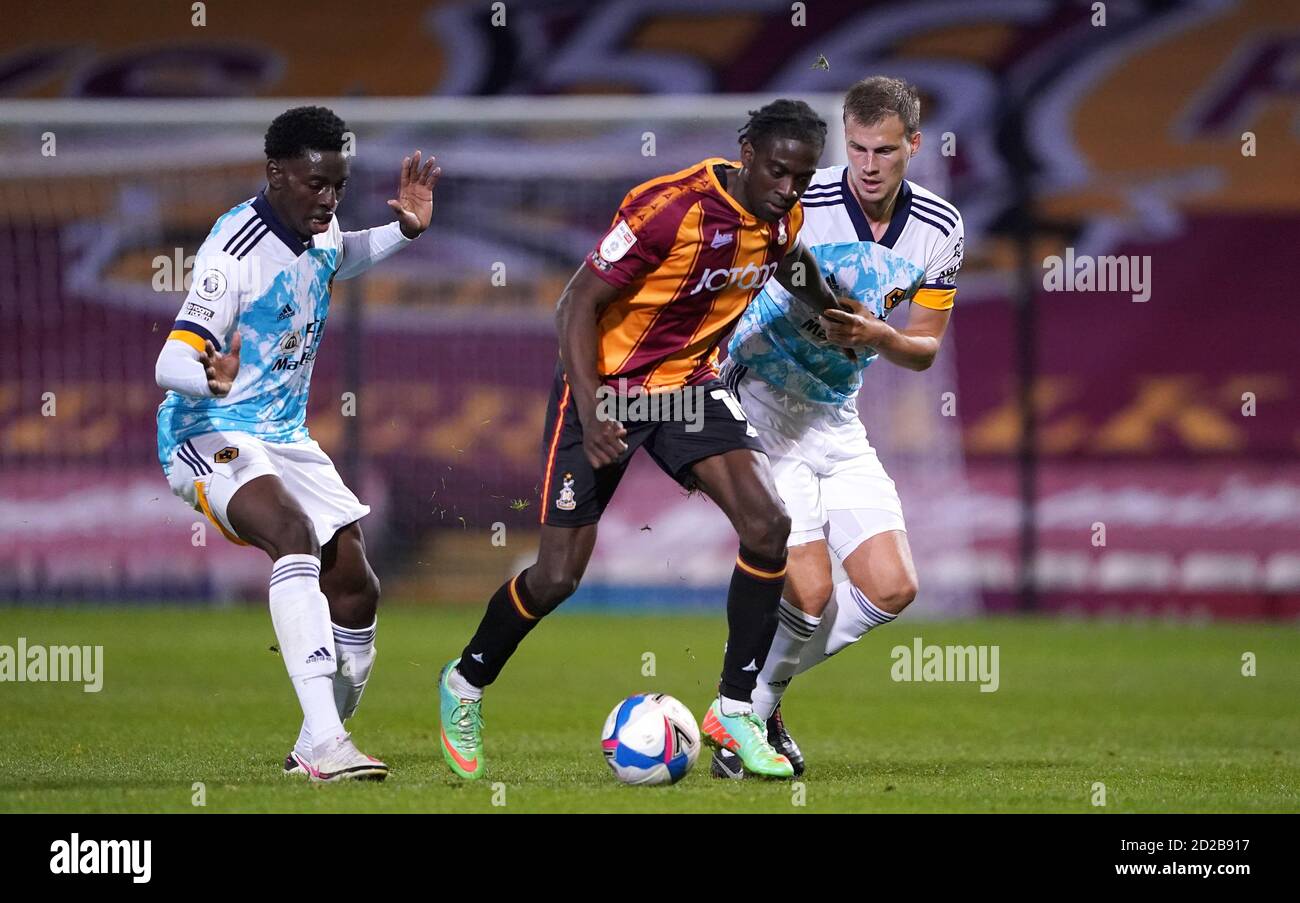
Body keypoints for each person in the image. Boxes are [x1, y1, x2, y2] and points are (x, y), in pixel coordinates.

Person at [437, 100, 853, 781]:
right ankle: (465, 680)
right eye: (778, 172)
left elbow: (792, 262)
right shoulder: (668, 208)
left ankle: (734, 708)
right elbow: (575, 303)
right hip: (603, 387)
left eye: (802, 178)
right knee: (558, 575)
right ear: (746, 151)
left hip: (687, 386)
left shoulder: (784, 217)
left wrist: (839, 311)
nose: (788, 189)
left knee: (768, 523)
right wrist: (597, 406)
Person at [154, 106, 439, 782]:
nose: (329, 199)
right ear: (276, 173)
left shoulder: (321, 224)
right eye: (316, 184)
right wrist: (211, 378)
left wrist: (403, 231)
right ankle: (328, 744)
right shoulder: (234, 251)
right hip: (208, 430)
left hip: (285, 436)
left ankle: (318, 737)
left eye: (338, 185)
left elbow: (340, 257)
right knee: (291, 532)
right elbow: (169, 361)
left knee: (356, 588)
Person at [714, 77, 965, 778]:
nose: (868, 163)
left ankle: (750, 703)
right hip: (761, 405)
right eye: (856, 146)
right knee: (812, 590)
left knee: (891, 586)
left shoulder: (941, 228)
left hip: (834, 414)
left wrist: (878, 333)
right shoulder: (801, 201)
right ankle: (744, 716)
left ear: (913, 145)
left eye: (885, 149)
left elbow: (924, 349)